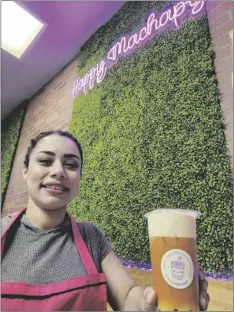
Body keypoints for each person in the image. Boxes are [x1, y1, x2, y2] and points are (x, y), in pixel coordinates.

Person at [1, 130, 210, 311]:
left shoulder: (91, 236)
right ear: (26, 171)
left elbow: (128, 296)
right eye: (45, 161)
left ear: (79, 178)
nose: (58, 171)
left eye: (71, 164)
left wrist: (152, 304)